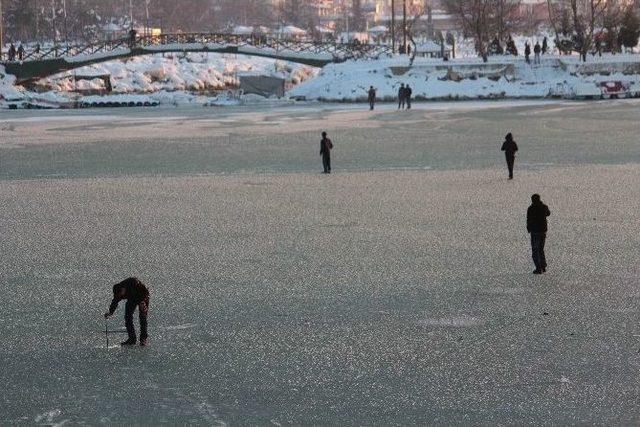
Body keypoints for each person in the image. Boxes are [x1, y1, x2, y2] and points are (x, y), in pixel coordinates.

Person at [104, 277, 150, 346]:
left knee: (142, 317)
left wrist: (142, 302)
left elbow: (144, 290)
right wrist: (110, 312)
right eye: (119, 296)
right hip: (132, 298)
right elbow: (115, 302)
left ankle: (143, 339)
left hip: (143, 295)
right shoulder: (118, 291)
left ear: (123, 289)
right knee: (128, 317)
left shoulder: (133, 282)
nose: (121, 296)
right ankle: (132, 339)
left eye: (121, 295)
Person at [527, 194, 551, 275]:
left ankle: (538, 268)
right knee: (541, 249)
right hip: (543, 231)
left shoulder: (531, 208)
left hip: (535, 231)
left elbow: (528, 219)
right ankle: (543, 266)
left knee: (535, 250)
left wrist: (529, 228)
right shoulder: (544, 207)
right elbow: (548, 213)